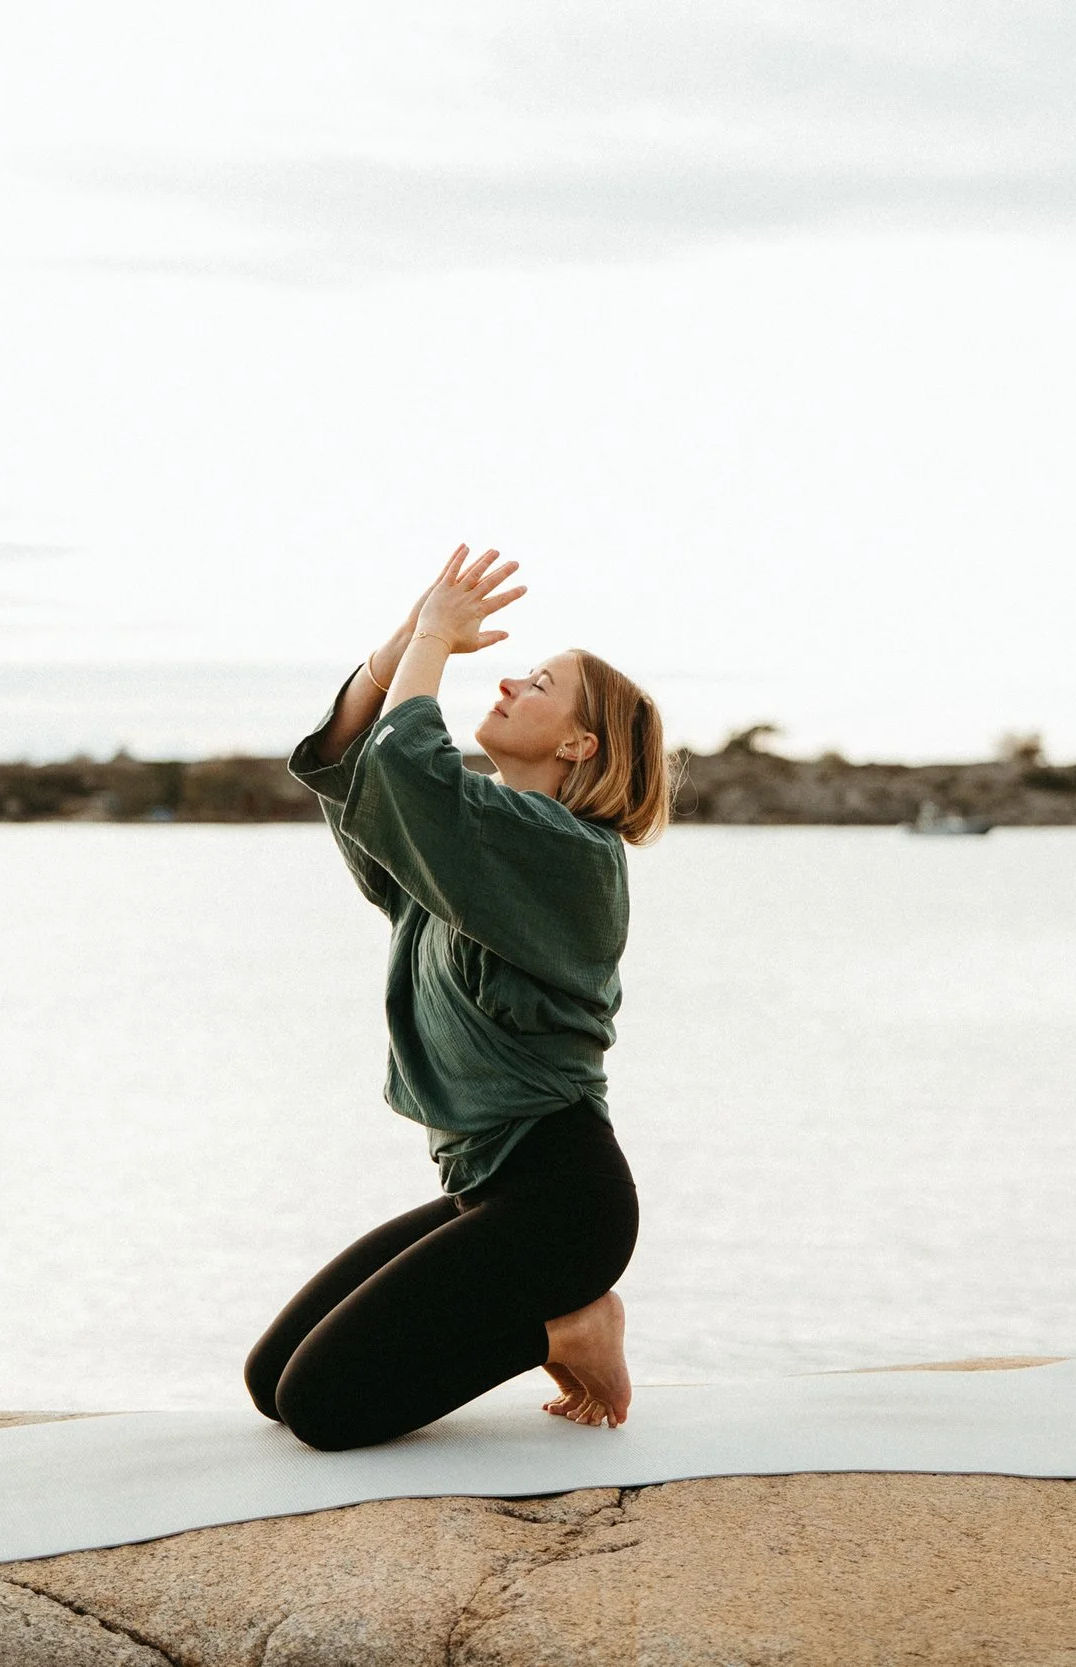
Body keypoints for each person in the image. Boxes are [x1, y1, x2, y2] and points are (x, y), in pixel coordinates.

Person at [245, 544, 676, 1452]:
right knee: (270, 1381)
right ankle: (555, 1317)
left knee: (326, 1408)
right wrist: (404, 639)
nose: (513, 678)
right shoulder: (463, 857)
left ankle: (569, 1327)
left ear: (578, 744)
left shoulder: (570, 857)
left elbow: (409, 767)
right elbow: (351, 761)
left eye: (543, 683)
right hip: (489, 1190)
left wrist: (437, 643)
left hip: (562, 1202)